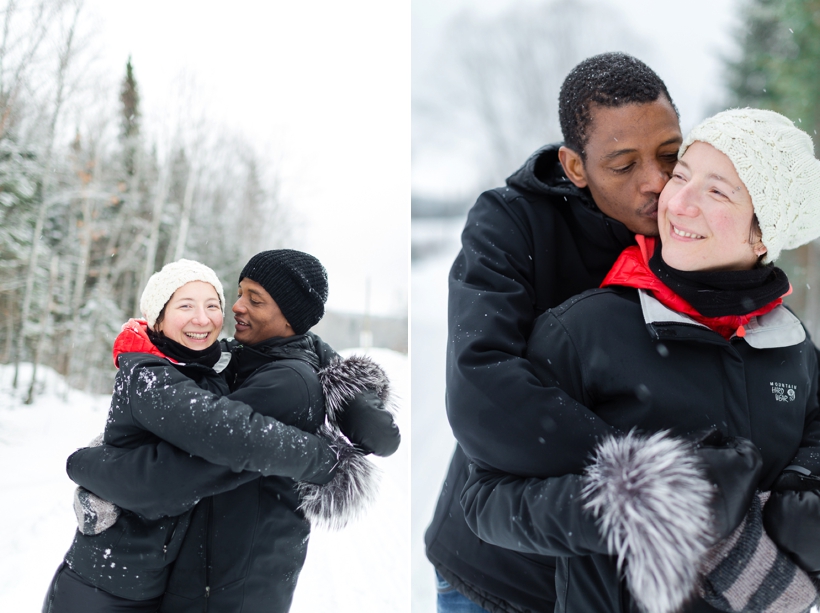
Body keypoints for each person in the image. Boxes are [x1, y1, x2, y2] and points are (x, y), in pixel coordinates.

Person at [460, 108, 820, 613]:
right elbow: (488, 501)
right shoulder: (585, 331)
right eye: (682, 176)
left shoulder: (793, 347)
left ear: (763, 235)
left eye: (718, 191)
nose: (677, 203)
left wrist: (805, 492)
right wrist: (645, 505)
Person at [425, 52, 684, 612]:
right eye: (623, 165)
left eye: (670, 155)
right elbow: (482, 387)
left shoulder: (695, 231)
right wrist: (655, 488)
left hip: (626, 587)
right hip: (502, 573)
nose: (657, 183)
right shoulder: (510, 223)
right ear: (574, 166)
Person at [64, 249, 400, 612]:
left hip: (229, 589)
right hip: (212, 577)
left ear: (290, 318)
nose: (237, 307)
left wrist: (88, 466)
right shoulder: (247, 357)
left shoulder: (287, 382)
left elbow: (173, 475)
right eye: (239, 293)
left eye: (254, 300)